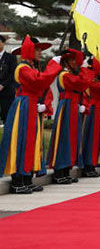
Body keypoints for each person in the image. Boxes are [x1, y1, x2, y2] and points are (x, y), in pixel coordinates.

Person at [0, 36, 61, 194]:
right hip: (24, 106)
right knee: (21, 141)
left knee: (32, 143)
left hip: (31, 105)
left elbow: (41, 85)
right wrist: (53, 65)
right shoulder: (22, 68)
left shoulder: (32, 67)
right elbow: (39, 81)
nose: (40, 52)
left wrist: (43, 104)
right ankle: (17, 180)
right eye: (37, 49)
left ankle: (26, 178)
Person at [48, 48, 94, 184]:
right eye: (72, 60)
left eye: (75, 59)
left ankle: (66, 169)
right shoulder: (64, 75)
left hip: (73, 106)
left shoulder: (71, 74)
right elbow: (81, 83)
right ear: (66, 62)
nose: (75, 62)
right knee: (64, 138)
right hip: (67, 106)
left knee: (72, 139)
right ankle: (59, 171)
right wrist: (85, 69)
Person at [0, 35, 17, 126]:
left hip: (7, 90)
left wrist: (3, 85)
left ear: (3, 43)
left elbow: (12, 73)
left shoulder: (11, 57)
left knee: (7, 114)